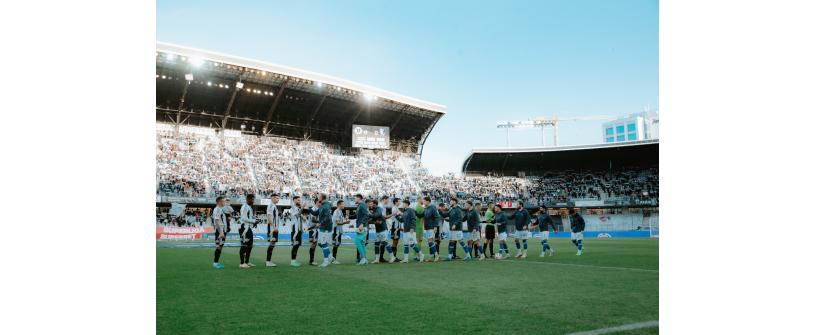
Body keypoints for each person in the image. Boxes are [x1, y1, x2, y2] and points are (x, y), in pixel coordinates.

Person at [396, 199, 423, 263]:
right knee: (405, 244)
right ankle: (406, 259)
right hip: (405, 230)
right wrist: (397, 216)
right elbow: (402, 220)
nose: (403, 205)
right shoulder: (405, 211)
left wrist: (412, 227)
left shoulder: (410, 210)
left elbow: (413, 219)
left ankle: (421, 254)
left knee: (412, 244)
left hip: (410, 230)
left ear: (406, 204)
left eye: (403, 203)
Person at [370, 199, 396, 263]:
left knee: (385, 242)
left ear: (375, 204)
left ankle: (392, 257)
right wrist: (375, 222)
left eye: (371, 204)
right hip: (378, 230)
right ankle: (377, 259)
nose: (370, 205)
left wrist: (369, 215)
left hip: (383, 229)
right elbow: (371, 220)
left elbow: (376, 215)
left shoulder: (378, 209)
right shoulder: (374, 210)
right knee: (376, 244)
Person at [314, 193, 335, 267]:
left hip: (325, 227)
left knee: (323, 243)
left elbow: (328, 218)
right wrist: (307, 209)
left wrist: (320, 223)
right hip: (323, 227)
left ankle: (326, 261)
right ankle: (330, 257)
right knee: (320, 243)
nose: (317, 197)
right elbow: (316, 213)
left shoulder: (325, 205)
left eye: (318, 196)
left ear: (322, 197)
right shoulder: (324, 205)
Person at [286, 195, 307, 267]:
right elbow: (297, 215)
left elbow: (302, 218)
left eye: (300, 200)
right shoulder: (293, 208)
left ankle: (294, 260)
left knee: (297, 245)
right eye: (298, 200)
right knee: (295, 245)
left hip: (299, 230)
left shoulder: (297, 208)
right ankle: (292, 261)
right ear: (294, 200)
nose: (299, 201)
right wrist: (302, 208)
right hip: (295, 230)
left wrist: (303, 217)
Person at [239, 194, 258, 268]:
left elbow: (248, 218)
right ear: (248, 199)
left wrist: (254, 222)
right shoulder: (245, 207)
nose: (253, 201)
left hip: (248, 228)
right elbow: (243, 218)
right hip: (244, 228)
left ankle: (247, 262)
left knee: (250, 246)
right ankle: (241, 263)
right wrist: (253, 221)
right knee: (244, 245)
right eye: (252, 199)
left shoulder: (249, 207)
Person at [331, 200, 351, 264]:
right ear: (339, 205)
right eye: (343, 204)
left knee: (337, 244)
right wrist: (345, 222)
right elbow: (337, 222)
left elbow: (341, 220)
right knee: (335, 244)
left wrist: (347, 217)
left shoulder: (340, 211)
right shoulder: (336, 212)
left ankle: (333, 258)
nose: (344, 205)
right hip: (336, 230)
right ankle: (333, 259)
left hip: (339, 230)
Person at [422, 196, 441, 262]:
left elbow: (436, 217)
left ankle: (436, 255)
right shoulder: (425, 208)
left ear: (428, 201)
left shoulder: (432, 208)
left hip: (431, 227)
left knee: (430, 241)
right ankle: (431, 256)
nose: (423, 202)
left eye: (424, 201)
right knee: (429, 242)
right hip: (427, 227)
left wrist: (435, 226)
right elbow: (421, 215)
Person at [211, 196, 227, 269]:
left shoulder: (220, 209)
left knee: (220, 247)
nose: (224, 202)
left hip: (222, 230)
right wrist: (220, 232)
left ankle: (216, 262)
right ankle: (215, 263)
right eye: (223, 201)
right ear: (219, 202)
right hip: (219, 231)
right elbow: (216, 221)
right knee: (218, 247)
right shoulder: (217, 209)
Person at [353, 194, 369, 265]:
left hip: (362, 226)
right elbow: (358, 216)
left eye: (355, 198)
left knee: (357, 241)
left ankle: (363, 258)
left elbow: (366, 214)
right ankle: (364, 259)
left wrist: (362, 223)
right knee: (361, 242)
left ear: (359, 198)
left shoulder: (362, 205)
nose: (354, 199)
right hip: (361, 226)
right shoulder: (360, 205)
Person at [265, 193, 281, 267]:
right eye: (277, 198)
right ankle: (268, 261)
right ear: (273, 198)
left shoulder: (274, 206)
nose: (278, 199)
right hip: (272, 228)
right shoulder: (271, 205)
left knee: (273, 243)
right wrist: (274, 227)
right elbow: (269, 217)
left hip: (274, 227)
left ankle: (269, 261)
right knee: (272, 243)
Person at [389, 197, 402, 263]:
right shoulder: (394, 208)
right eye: (399, 201)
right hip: (395, 227)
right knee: (394, 242)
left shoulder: (396, 208)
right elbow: (396, 218)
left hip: (397, 227)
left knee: (396, 242)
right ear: (396, 202)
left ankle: (394, 257)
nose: (400, 202)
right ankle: (392, 257)